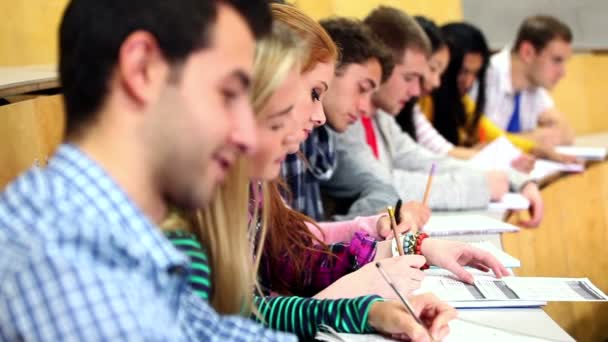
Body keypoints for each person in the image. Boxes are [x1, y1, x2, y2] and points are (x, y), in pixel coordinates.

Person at [0, 0, 297, 340]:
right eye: (228, 94)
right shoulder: (61, 264)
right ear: (142, 70)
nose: (246, 136)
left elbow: (212, 332)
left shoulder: (117, 244)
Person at [164, 15, 457, 342]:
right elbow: (244, 317)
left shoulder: (254, 191)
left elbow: (265, 291)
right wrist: (355, 292)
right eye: (276, 121)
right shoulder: (184, 239)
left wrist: (370, 308)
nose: (317, 117)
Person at [330, 6, 544, 227]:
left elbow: (429, 162)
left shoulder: (381, 119)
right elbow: (387, 184)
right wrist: (483, 187)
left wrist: (514, 178)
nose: (417, 90)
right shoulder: (345, 119)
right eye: (410, 77)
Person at [428, 22, 574, 166]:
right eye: (557, 60)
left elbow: (492, 135)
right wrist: (529, 141)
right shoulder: (488, 76)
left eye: (475, 74)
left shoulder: (463, 100)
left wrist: (534, 148)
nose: (469, 83)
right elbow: (442, 149)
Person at [484, 15, 574, 147]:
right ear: (527, 53)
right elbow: (478, 147)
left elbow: (567, 135)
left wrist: (534, 138)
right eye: (557, 60)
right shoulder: (486, 77)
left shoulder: (534, 84)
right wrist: (532, 138)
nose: (563, 73)